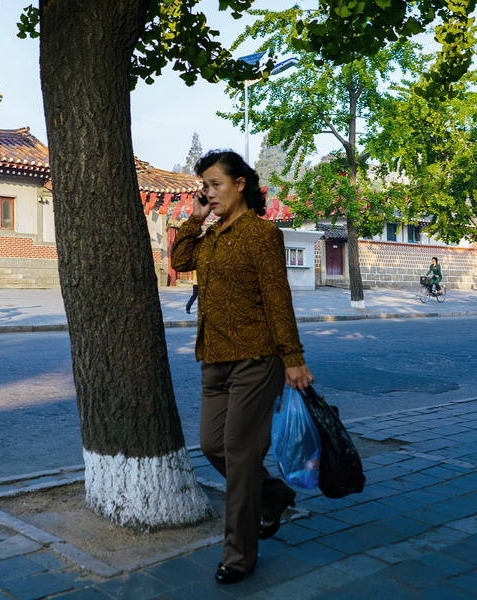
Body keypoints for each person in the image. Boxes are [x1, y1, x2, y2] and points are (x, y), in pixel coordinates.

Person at [171, 150, 314, 585]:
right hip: (213, 358)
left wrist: (292, 357)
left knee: (239, 453)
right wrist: (194, 219)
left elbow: (277, 299)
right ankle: (272, 497)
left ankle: (239, 555)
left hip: (256, 358)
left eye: (214, 184)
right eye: (204, 186)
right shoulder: (211, 235)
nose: (207, 193)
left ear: (240, 184)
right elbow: (179, 262)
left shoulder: (261, 234)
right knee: (214, 446)